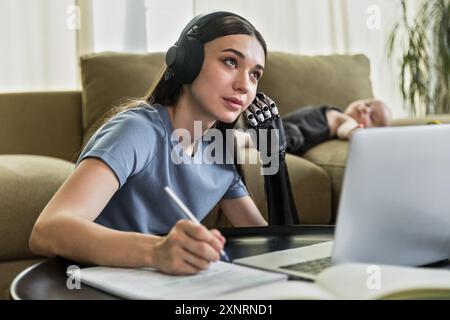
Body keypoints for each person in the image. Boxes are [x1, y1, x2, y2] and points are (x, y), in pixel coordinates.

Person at [29, 11, 268, 276]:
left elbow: (266, 242)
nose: (244, 85)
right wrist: (156, 251)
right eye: (231, 62)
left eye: (255, 75)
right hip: (91, 283)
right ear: (187, 61)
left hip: (155, 284)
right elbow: (47, 230)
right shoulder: (137, 131)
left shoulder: (219, 151)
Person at [239, 98, 392, 156]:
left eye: (372, 116)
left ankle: (244, 140)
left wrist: (355, 132)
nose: (366, 109)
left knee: (278, 138)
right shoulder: (335, 110)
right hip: (280, 123)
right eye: (368, 104)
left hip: (296, 134)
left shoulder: (345, 119)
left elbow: (345, 127)